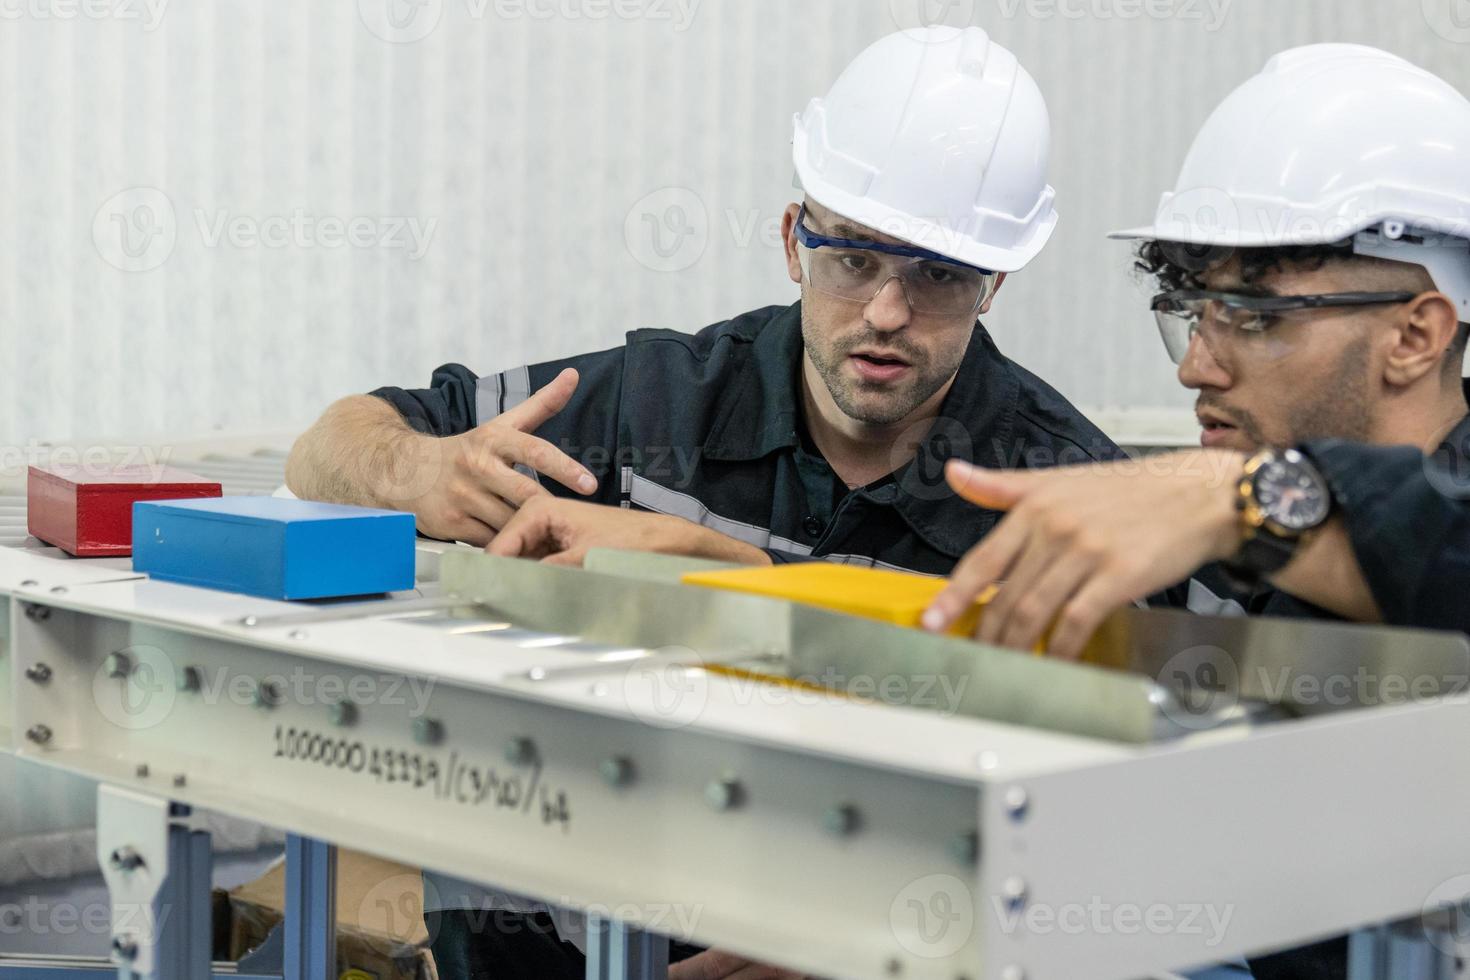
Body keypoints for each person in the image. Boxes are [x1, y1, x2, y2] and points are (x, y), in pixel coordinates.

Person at [286, 26, 1116, 980]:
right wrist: (419, 471)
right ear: (794, 243)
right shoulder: (659, 400)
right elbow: (334, 444)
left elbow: (1111, 827)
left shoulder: (1059, 492)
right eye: (853, 257)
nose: (887, 313)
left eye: (938, 274)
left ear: (995, 281)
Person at [923, 43, 1470, 980]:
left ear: (1417, 334)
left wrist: (1238, 496)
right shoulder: (1265, 578)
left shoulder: (1257, 513)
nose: (1195, 366)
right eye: (1192, 310)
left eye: (1254, 315)